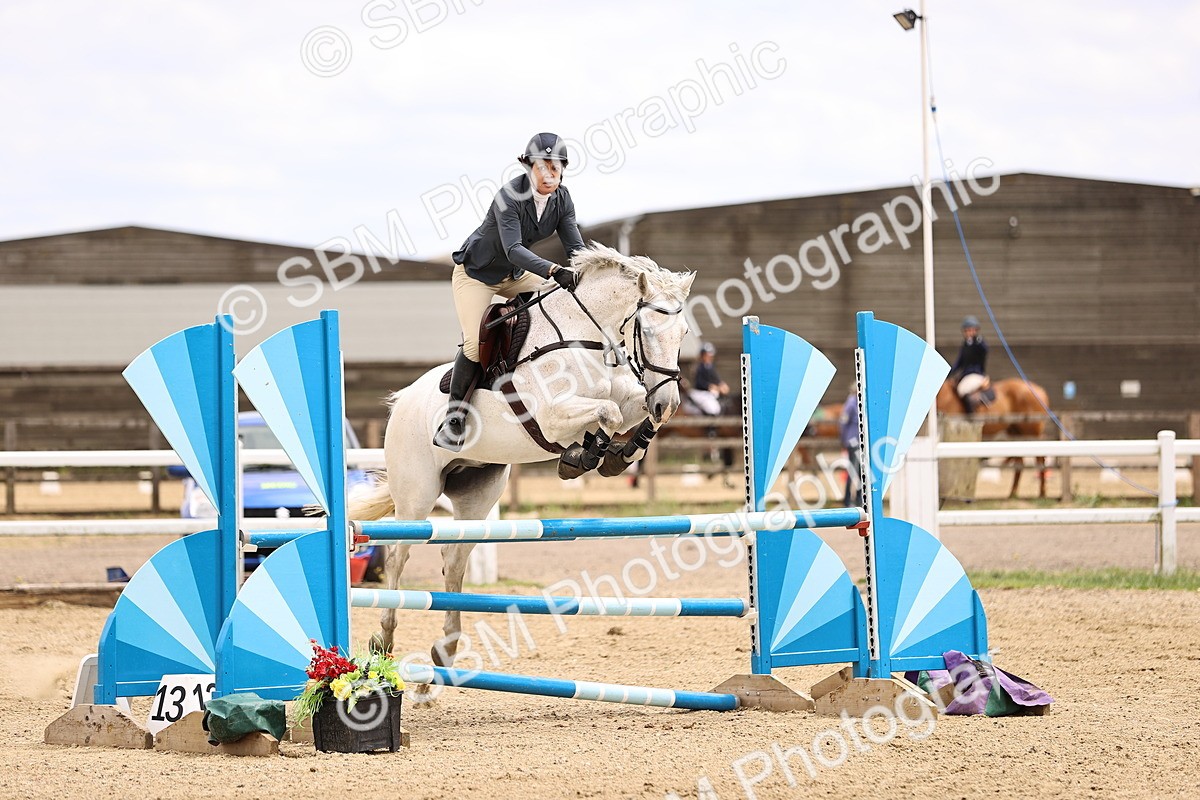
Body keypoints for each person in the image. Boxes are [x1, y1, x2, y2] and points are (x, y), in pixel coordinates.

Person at [434, 133, 587, 450]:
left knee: (553, 306)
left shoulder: (563, 199)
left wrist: (591, 274)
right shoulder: (509, 197)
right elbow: (514, 249)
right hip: (476, 275)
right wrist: (554, 271)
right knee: (476, 346)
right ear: (529, 166)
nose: (549, 174)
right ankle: (454, 417)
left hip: (515, 275)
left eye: (555, 168)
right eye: (543, 167)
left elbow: (576, 248)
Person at [950, 315, 990, 414]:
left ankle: (971, 416)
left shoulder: (979, 343)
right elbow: (959, 363)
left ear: (976, 330)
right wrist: (948, 374)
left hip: (976, 374)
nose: (969, 333)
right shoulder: (965, 345)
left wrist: (979, 341)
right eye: (967, 330)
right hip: (966, 375)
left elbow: (985, 350)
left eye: (971, 330)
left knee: (962, 390)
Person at [687, 343, 729, 416]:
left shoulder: (710, 367)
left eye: (710, 355)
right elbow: (699, 382)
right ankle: (711, 426)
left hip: (710, 393)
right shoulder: (698, 367)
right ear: (702, 356)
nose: (709, 357)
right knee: (713, 408)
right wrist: (710, 386)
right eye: (707, 355)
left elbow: (716, 378)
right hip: (701, 393)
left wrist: (721, 384)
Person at [840, 392, 862, 507]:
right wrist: (844, 440)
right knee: (852, 470)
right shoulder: (851, 403)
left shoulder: (859, 402)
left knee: (860, 471)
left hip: (859, 441)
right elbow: (843, 423)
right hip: (853, 441)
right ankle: (848, 499)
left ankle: (859, 498)